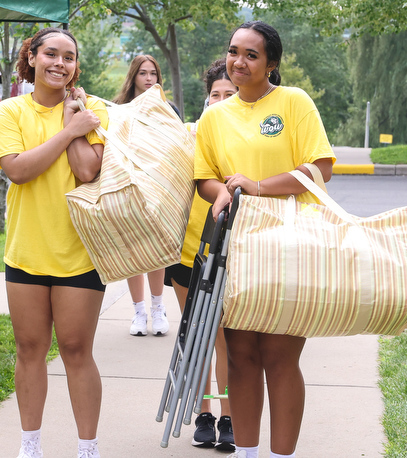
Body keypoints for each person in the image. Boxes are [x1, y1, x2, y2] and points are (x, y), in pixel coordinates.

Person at [194, 21, 336, 458]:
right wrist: (221, 195)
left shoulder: (293, 102)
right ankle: (249, 453)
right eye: (234, 51)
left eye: (251, 55)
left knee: (279, 356)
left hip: (290, 243)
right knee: (240, 356)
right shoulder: (214, 116)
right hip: (236, 244)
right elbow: (205, 179)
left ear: (271, 63)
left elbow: (320, 169)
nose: (239, 61)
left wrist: (256, 185)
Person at [0, 27, 108, 458]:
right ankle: (30, 446)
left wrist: (75, 120)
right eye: (51, 54)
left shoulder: (90, 111)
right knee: (29, 350)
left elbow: (88, 171)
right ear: (32, 58)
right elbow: (18, 171)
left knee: (77, 351)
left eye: (69, 57)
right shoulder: (9, 111)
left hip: (80, 253)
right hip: (27, 252)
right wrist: (67, 128)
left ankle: (87, 448)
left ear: (76, 66)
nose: (60, 63)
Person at [164, 57, 237, 452]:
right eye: (215, 95)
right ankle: (203, 413)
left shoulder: (246, 137)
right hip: (188, 252)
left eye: (230, 94)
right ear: (206, 98)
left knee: (225, 338)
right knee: (197, 337)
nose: (221, 101)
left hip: (232, 255)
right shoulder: (188, 135)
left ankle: (229, 415)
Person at [112, 54, 174, 336]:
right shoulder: (119, 109)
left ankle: (158, 309)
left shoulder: (167, 108)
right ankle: (139, 312)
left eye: (153, 73)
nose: (149, 79)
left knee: (156, 251)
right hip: (128, 186)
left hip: (159, 187)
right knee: (133, 250)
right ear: (133, 77)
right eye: (143, 73)